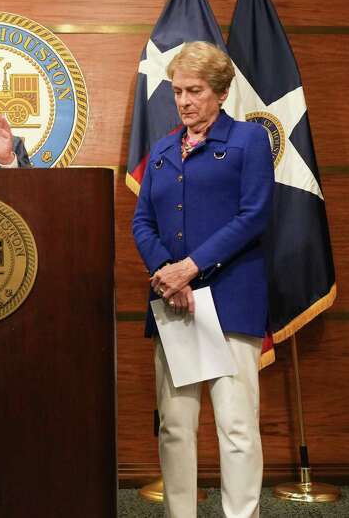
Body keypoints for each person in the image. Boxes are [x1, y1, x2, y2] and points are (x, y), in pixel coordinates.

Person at [131, 41, 274, 518]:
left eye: (195, 91)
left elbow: (254, 216)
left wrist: (191, 267)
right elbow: (142, 223)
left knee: (236, 425)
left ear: (220, 91)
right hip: (175, 303)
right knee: (175, 425)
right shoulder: (163, 148)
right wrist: (168, 275)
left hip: (231, 298)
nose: (185, 101)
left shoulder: (249, 140)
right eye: (178, 92)